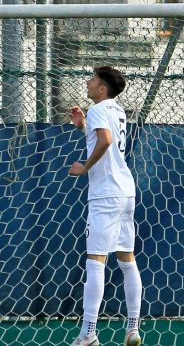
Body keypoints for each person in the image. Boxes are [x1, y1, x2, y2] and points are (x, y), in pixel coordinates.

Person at [68, 66, 142, 346]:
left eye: (92, 79)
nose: (87, 82)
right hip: (125, 192)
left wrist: (85, 167)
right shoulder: (117, 110)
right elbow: (104, 137)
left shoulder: (100, 108)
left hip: (105, 195)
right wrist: (83, 126)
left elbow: (106, 141)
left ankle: (88, 334)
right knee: (127, 260)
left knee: (95, 262)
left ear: (102, 88)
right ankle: (132, 329)